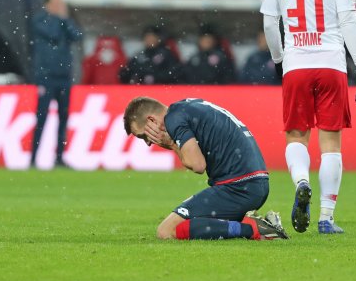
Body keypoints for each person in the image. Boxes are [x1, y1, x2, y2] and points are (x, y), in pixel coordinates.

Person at [260, 0, 356, 235]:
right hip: (331, 64)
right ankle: (325, 217)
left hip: (296, 64)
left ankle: (301, 183)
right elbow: (348, 19)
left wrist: (280, 60)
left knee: (296, 134)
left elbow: (269, 21)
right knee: (331, 141)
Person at [123, 96, 289, 241]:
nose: (148, 142)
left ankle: (258, 230)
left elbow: (197, 165)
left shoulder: (173, 119)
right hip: (255, 183)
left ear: (152, 121)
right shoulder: (187, 107)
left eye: (143, 135)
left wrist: (171, 144)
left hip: (238, 188)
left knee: (167, 230)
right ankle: (256, 226)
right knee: (195, 223)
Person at [30, 0, 82, 168]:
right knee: (41, 117)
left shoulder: (65, 21)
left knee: (63, 118)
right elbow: (51, 33)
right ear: (47, 4)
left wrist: (65, 19)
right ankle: (33, 158)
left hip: (63, 77)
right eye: (56, 2)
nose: (59, 6)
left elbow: (77, 35)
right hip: (46, 77)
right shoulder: (40, 20)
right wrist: (61, 19)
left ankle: (59, 157)